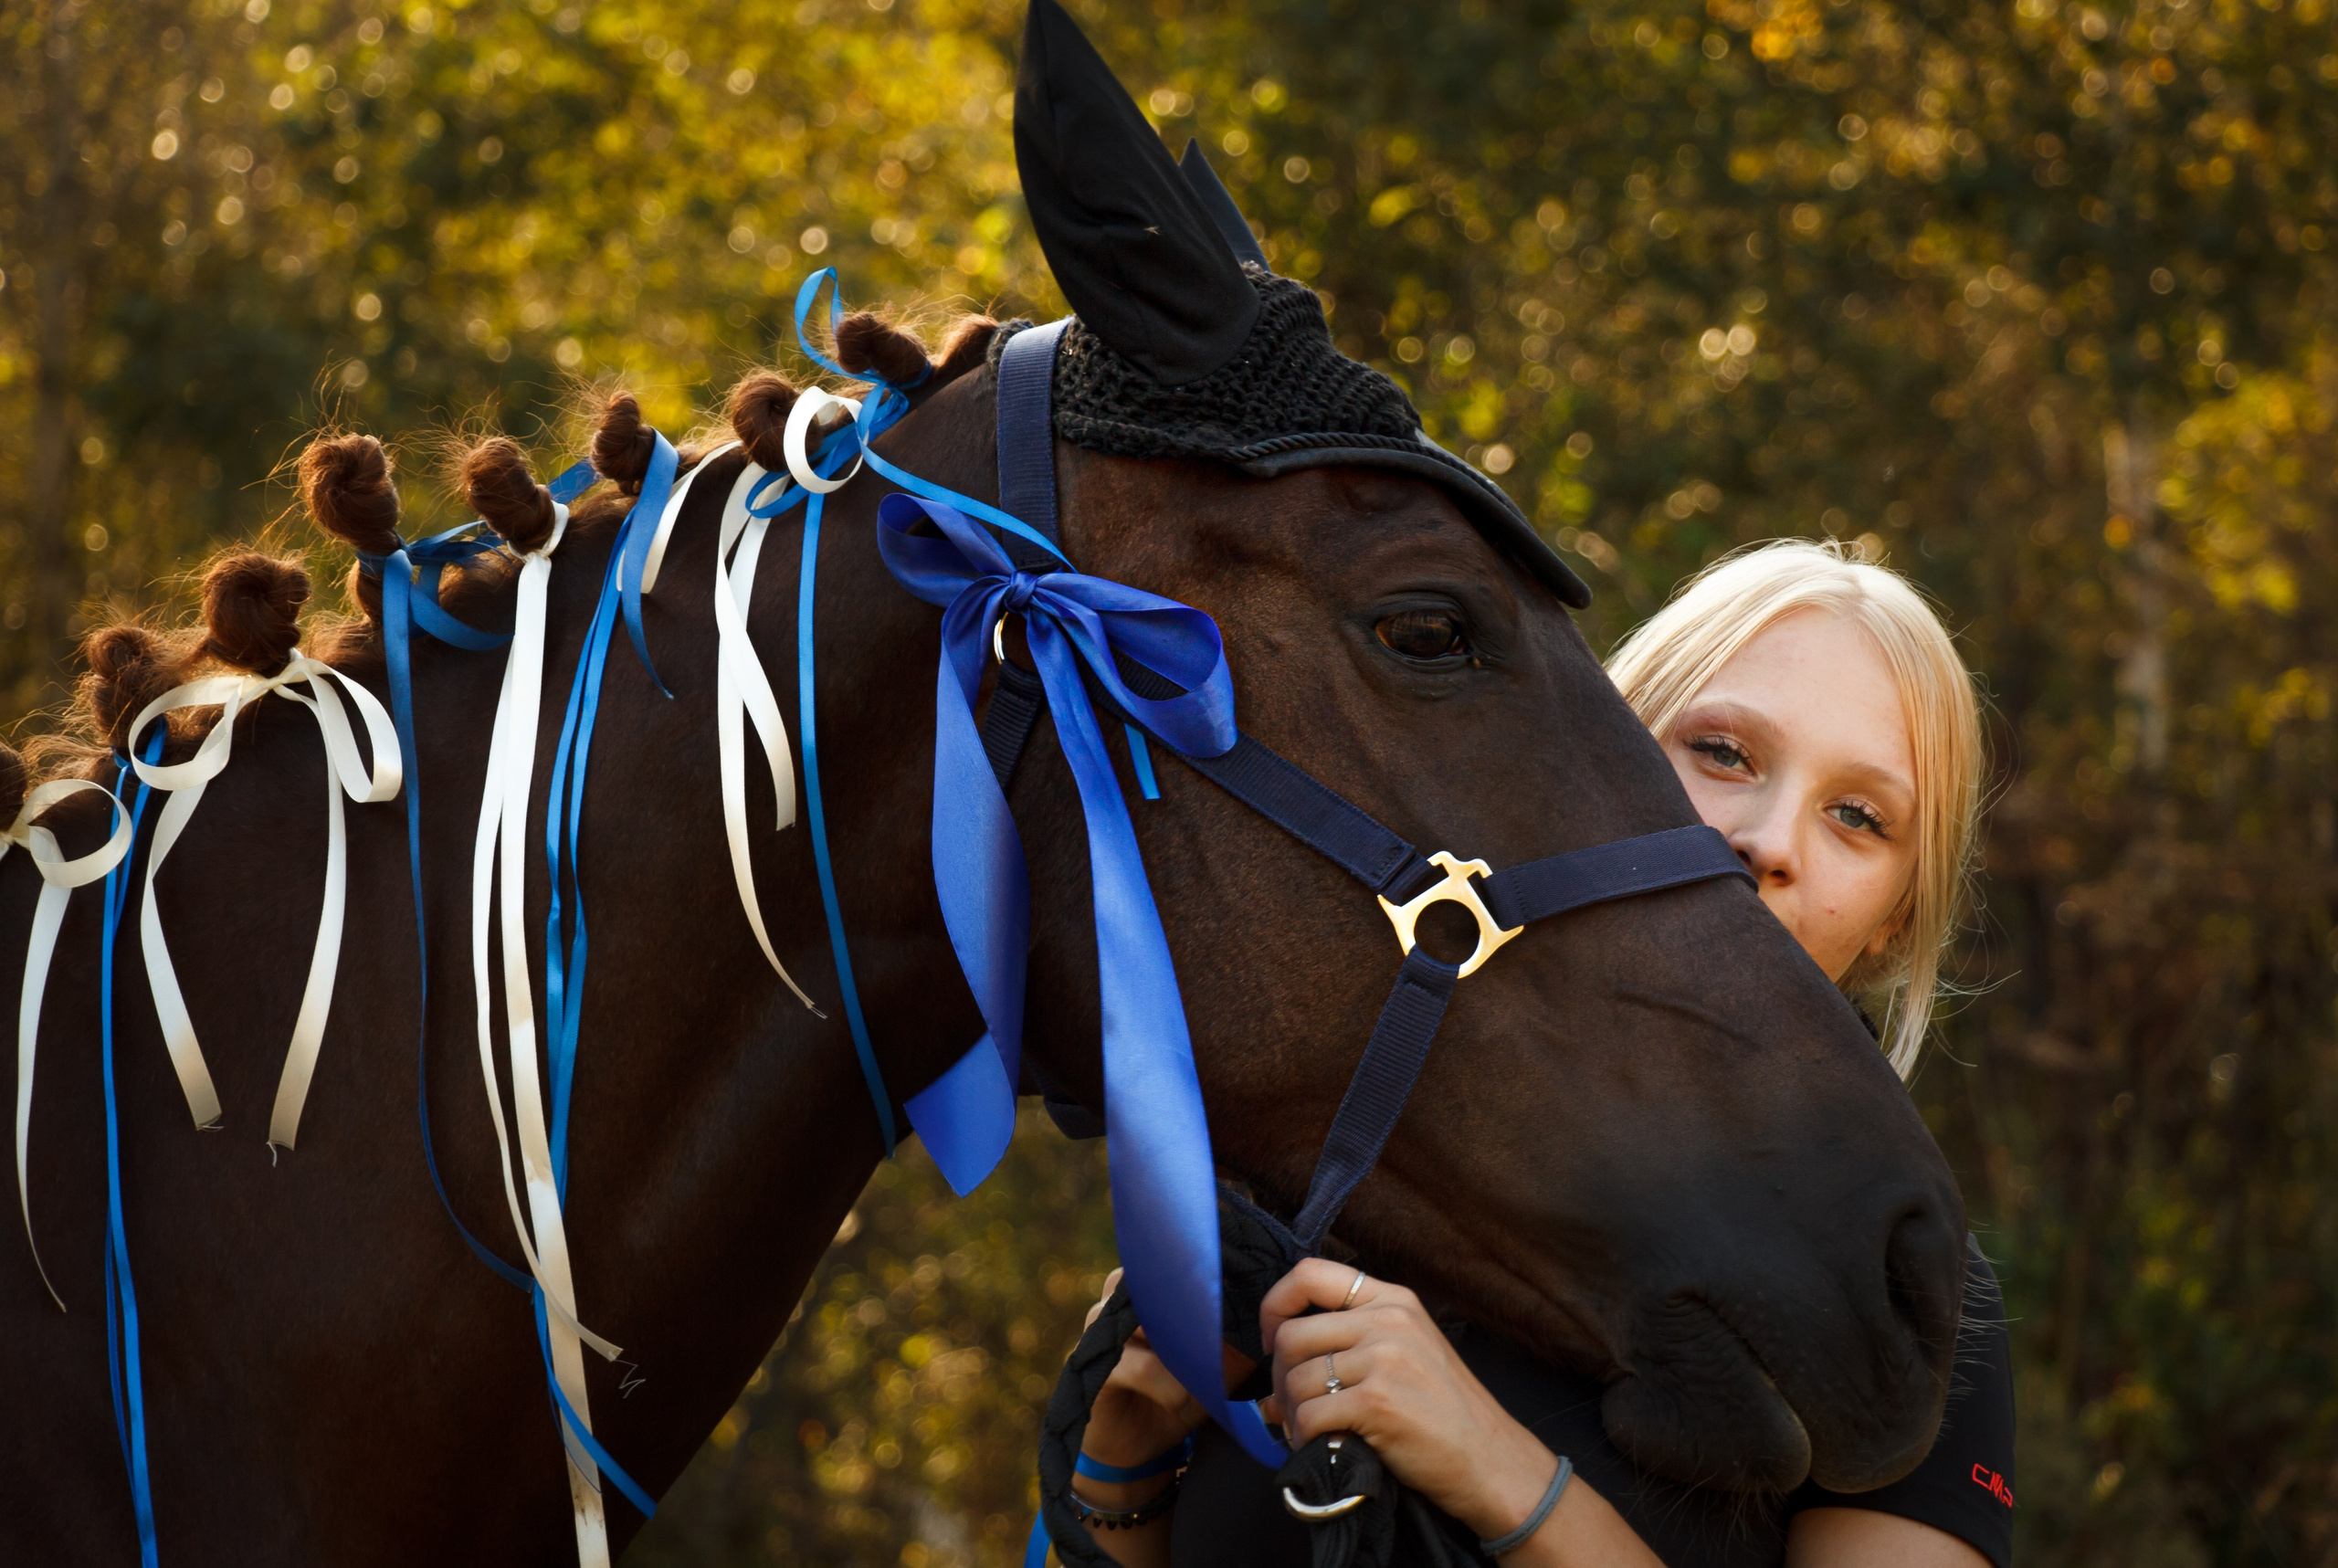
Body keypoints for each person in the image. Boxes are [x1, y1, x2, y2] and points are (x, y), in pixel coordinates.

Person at [1050, 541, 2009, 1568]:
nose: (1771, 840)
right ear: (1595, 757)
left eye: (1858, 817)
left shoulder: (1900, 1288)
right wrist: (1119, 1467)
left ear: (1894, 920)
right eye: (1724, 753)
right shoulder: (1344, 1162)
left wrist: (1501, 1475)